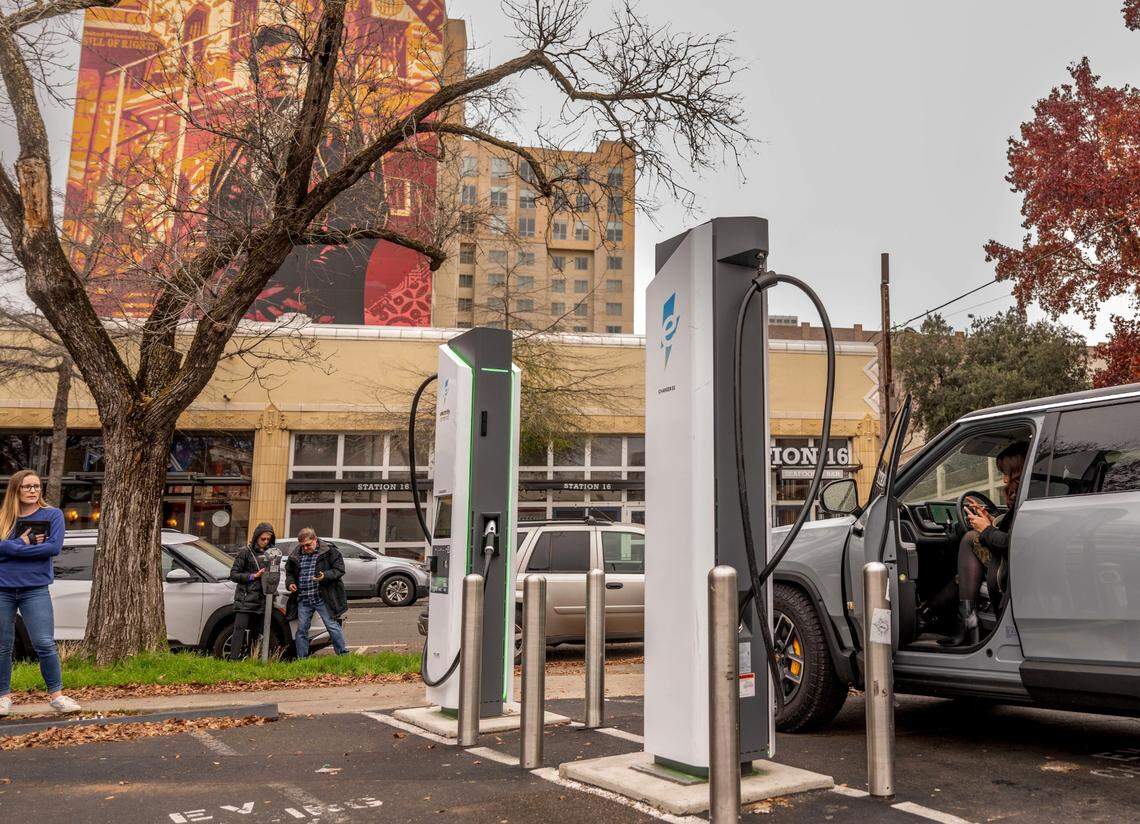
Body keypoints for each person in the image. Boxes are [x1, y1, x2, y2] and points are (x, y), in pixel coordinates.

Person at [0, 470, 81, 715]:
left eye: (36, 486)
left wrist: (9, 548)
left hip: (34, 589)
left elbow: (53, 548)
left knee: (44, 643)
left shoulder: (52, 515)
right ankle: (3, 697)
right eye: (27, 487)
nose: (33, 491)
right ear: (16, 490)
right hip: (2, 589)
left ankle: (57, 696)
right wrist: (24, 544)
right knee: (3, 645)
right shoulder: (4, 517)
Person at [937, 441, 1029, 647]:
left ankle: (967, 622)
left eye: (1007, 472)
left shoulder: (1025, 494)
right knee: (968, 554)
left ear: (1019, 471)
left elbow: (1011, 543)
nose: (1003, 478)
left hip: (1012, 564)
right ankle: (960, 619)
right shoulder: (1024, 492)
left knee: (969, 540)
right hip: (1016, 559)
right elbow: (1011, 527)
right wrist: (989, 519)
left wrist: (986, 530)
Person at [285, 527, 349, 657]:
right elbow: (289, 572)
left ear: (315, 539)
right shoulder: (296, 554)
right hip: (304, 598)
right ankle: (302, 658)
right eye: (302, 546)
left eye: (308, 545)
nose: (305, 548)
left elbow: (339, 570)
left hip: (322, 597)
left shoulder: (330, 552)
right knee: (302, 629)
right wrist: (290, 583)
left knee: (331, 625)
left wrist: (324, 576)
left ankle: (343, 655)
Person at [227, 522, 277, 660]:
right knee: (239, 629)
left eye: (268, 539)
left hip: (262, 598)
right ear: (256, 538)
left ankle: (252, 657)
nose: (265, 542)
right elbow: (234, 574)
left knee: (257, 631)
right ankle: (234, 659)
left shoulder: (271, 553)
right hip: (246, 598)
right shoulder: (245, 552)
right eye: (263, 539)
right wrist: (253, 576)